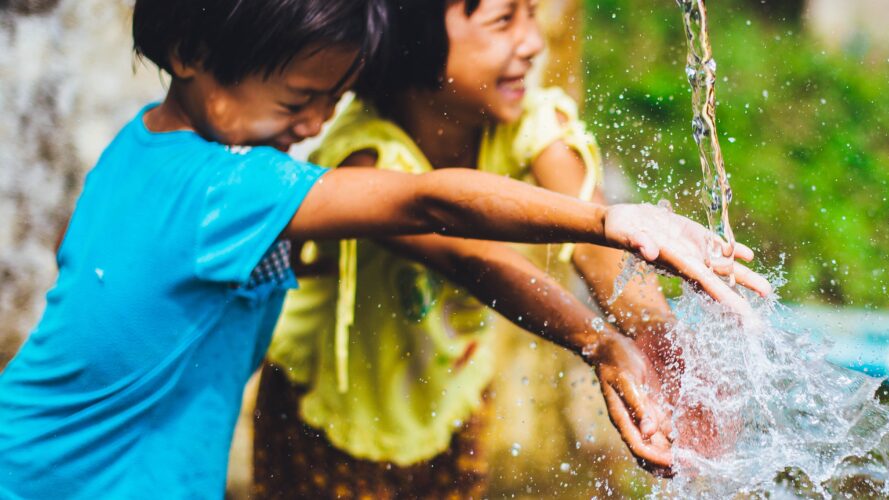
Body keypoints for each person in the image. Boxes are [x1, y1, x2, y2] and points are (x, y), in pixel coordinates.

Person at [0, 0, 764, 497]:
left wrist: (616, 337)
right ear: (192, 50)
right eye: (300, 101)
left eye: (334, 97)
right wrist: (604, 223)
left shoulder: (143, 142)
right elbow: (431, 203)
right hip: (82, 479)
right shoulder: (230, 185)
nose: (314, 125)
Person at [251, 0, 750, 495]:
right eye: (503, 20)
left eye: (531, 14)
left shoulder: (524, 120)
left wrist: (656, 336)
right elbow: (469, 257)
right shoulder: (361, 157)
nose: (532, 43)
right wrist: (597, 341)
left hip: (453, 397)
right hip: (328, 411)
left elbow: (596, 242)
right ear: (414, 35)